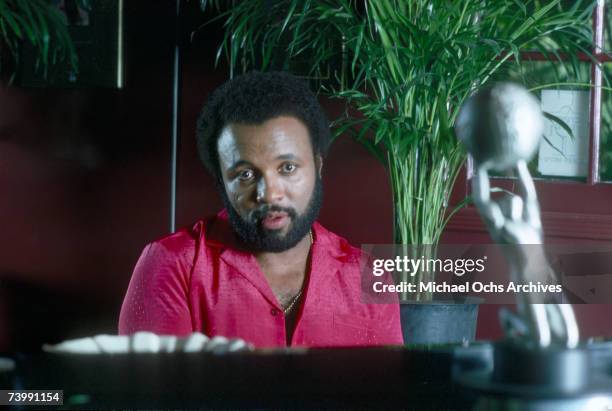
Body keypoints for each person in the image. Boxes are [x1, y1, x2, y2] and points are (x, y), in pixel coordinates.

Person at [118, 71, 403, 347]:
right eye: (245, 175)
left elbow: (386, 392)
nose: (269, 194)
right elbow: (151, 392)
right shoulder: (174, 264)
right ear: (221, 179)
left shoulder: (369, 275)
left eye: (287, 168)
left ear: (318, 165)